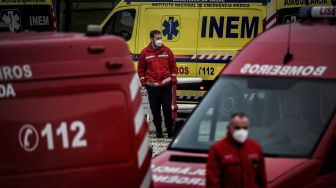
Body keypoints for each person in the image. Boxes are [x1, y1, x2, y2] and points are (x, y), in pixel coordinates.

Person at [206, 112, 267, 188]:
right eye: (237, 128)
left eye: (245, 128)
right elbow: (212, 182)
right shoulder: (217, 149)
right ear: (229, 128)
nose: (242, 132)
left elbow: (262, 179)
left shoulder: (255, 148)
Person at [138, 30, 177, 138]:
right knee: (155, 110)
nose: (160, 40)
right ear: (152, 39)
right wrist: (144, 83)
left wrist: (173, 78)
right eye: (157, 38)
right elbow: (141, 70)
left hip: (165, 85)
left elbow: (173, 66)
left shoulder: (167, 51)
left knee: (167, 108)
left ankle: (170, 130)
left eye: (161, 38)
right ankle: (159, 130)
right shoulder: (144, 53)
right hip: (152, 86)